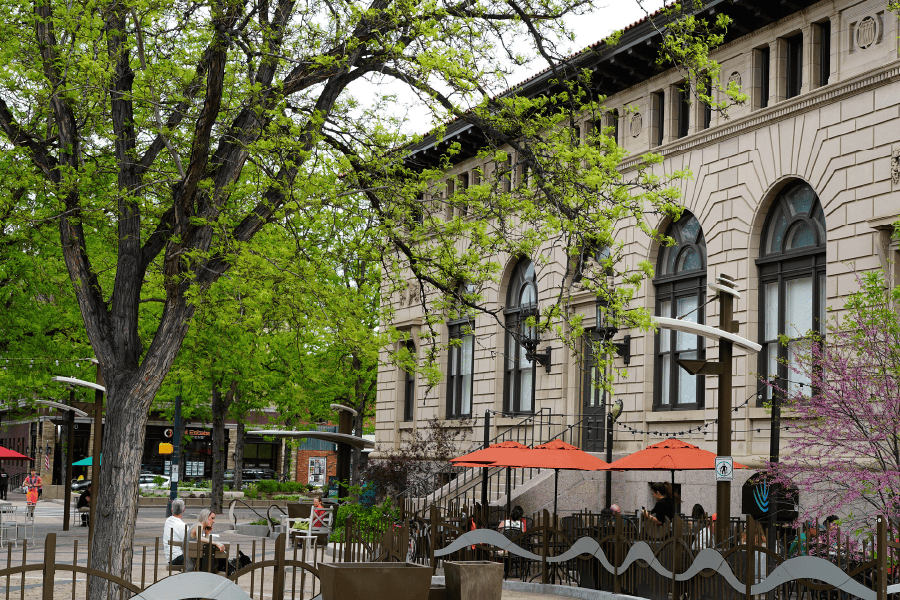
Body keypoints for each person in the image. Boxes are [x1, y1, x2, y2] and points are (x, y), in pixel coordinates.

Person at [163, 498, 188, 566]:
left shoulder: (167, 521)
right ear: (184, 510)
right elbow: (189, 541)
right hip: (178, 557)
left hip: (170, 558)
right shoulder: (183, 526)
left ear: (171, 510)